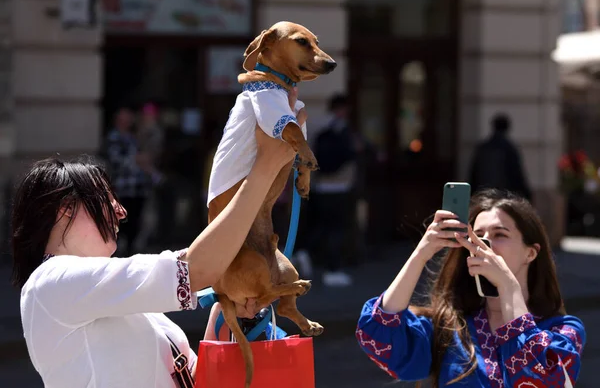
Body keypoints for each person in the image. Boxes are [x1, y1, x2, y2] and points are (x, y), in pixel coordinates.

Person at [12, 90, 305, 388]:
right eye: (105, 199)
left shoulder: (112, 295)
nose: (121, 211)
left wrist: (226, 309)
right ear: (64, 211)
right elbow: (196, 270)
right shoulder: (50, 283)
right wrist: (265, 168)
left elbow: (196, 378)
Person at [356, 189, 585, 388]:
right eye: (476, 236)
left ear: (531, 252)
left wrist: (508, 287)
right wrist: (421, 254)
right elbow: (377, 335)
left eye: (499, 235)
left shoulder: (563, 330)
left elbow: (543, 379)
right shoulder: (450, 328)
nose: (483, 244)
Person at [295, 93, 362, 287]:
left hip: (319, 186)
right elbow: (351, 154)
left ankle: (303, 252)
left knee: (320, 226)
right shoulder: (343, 131)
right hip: (339, 187)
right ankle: (332, 269)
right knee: (336, 229)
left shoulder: (317, 125)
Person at [101, 106, 151, 255]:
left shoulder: (133, 137)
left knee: (135, 224)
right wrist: (136, 160)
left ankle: (130, 251)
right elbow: (115, 161)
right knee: (120, 224)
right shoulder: (113, 137)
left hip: (137, 188)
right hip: (121, 189)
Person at [469, 113, 532, 201]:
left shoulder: (483, 147)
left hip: (484, 193)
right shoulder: (509, 148)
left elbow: (473, 173)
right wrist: (527, 195)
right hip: (503, 194)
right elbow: (517, 174)